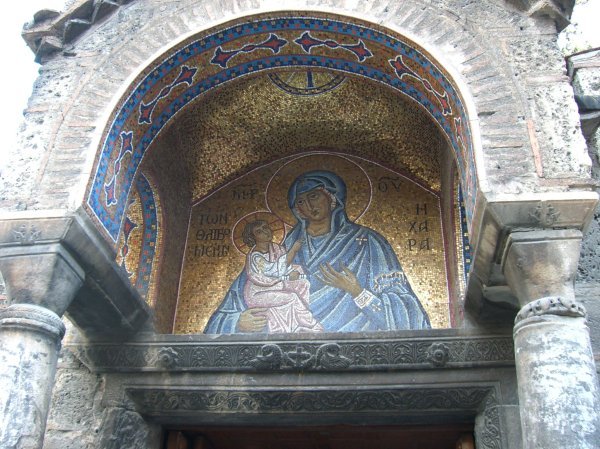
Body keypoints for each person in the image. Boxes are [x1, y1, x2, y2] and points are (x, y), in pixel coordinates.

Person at [205, 170, 430, 333]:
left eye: (313, 196)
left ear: (332, 197)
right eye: (300, 202)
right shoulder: (276, 253)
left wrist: (357, 291)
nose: (308, 205)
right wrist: (236, 322)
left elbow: (410, 318)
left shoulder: (368, 243)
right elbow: (231, 307)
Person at [240, 220, 323, 333]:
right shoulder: (255, 257)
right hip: (259, 293)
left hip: (276, 285)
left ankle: (296, 324)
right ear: (253, 237)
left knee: (304, 283)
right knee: (292, 297)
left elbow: (285, 268)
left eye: (265, 227)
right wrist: (293, 250)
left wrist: (296, 275)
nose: (265, 232)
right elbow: (273, 272)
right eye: (259, 231)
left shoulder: (276, 248)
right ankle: (309, 324)